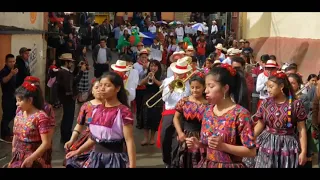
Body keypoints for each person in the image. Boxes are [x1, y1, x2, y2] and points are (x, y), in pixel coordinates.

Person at [186, 64, 255, 168]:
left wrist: (223, 146)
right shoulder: (208, 111)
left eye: (211, 86)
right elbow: (208, 144)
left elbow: (251, 151)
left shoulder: (240, 114)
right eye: (206, 86)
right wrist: (199, 144)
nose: (206, 91)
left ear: (225, 88)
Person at [66, 72, 136, 168]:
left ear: (117, 88)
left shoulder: (123, 111)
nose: (102, 88)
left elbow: (129, 140)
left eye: (107, 85)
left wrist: (132, 165)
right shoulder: (96, 109)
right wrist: (78, 151)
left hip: (114, 160)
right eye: (100, 85)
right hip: (96, 159)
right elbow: (94, 138)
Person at [253, 71, 307, 168]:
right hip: (267, 143)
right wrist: (249, 139)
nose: (268, 90)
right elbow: (260, 124)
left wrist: (303, 151)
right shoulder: (266, 102)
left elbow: (301, 129)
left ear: (281, 86)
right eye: (267, 86)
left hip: (287, 145)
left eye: (271, 86)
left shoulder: (296, 104)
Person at [8, 81, 54, 168]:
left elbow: (46, 143)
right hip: (18, 156)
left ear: (29, 100)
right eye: (16, 100)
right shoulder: (19, 114)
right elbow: (15, 136)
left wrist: (32, 158)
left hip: (35, 157)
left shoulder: (41, 117)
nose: (17, 104)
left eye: (19, 100)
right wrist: (13, 151)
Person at [159, 57, 192, 168]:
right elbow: (164, 99)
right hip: (169, 113)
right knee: (165, 139)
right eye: (177, 73)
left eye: (182, 73)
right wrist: (169, 89)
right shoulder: (167, 81)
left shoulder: (190, 83)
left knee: (177, 142)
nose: (179, 75)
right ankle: (167, 161)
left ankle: (174, 163)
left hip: (182, 114)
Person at [64, 79, 102, 168]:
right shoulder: (86, 106)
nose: (99, 90)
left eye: (101, 87)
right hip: (86, 139)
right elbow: (79, 125)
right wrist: (72, 140)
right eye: (96, 87)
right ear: (92, 90)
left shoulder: (110, 107)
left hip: (102, 143)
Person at [172, 74, 208, 168]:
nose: (194, 90)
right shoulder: (184, 101)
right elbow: (175, 118)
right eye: (192, 87)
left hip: (202, 136)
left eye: (198, 87)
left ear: (204, 87)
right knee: (184, 160)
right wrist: (180, 133)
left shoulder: (209, 104)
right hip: (186, 135)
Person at [288, 73, 317, 168]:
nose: (290, 85)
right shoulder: (282, 97)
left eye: (293, 83)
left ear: (298, 85)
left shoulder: (303, 98)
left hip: (299, 131)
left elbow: (303, 115)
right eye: (288, 83)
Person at [57, 53, 84, 143]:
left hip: (66, 98)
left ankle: (65, 135)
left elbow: (72, 78)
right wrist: (81, 72)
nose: (71, 64)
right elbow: (73, 83)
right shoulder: (64, 73)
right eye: (70, 62)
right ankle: (66, 136)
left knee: (67, 117)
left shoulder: (64, 71)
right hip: (68, 98)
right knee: (68, 118)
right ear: (66, 62)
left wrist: (78, 69)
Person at [139, 60, 164, 146]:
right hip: (147, 97)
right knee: (146, 117)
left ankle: (152, 138)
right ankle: (145, 138)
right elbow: (140, 83)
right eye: (151, 66)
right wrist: (147, 77)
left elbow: (162, 86)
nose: (153, 68)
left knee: (154, 118)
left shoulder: (161, 75)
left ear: (158, 67)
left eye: (155, 66)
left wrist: (154, 79)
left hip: (157, 98)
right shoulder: (147, 74)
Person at [0, 54, 18, 142]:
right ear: (6, 62)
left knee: (13, 114)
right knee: (6, 116)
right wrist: (11, 74)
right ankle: (3, 135)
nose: (12, 63)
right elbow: (3, 81)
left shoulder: (13, 70)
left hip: (14, 96)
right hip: (7, 97)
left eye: (13, 61)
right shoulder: (4, 71)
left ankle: (7, 132)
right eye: (10, 62)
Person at [133, 49, 150, 129]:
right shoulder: (135, 65)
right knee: (139, 106)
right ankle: (139, 122)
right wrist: (143, 69)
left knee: (146, 106)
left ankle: (145, 122)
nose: (144, 59)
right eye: (142, 57)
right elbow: (136, 77)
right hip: (139, 88)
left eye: (145, 57)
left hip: (147, 88)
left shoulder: (149, 64)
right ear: (139, 57)